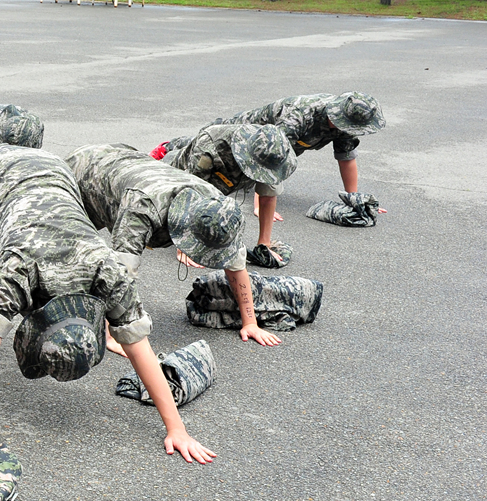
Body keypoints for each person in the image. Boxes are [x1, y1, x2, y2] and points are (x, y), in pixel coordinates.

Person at [0, 145, 216, 465]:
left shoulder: (107, 271)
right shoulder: (19, 267)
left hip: (56, 171)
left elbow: (138, 345)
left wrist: (177, 429)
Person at [65, 142, 280, 348]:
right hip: (84, 172)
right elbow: (120, 273)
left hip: (126, 163)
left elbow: (236, 264)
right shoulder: (143, 209)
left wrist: (250, 322)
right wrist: (111, 333)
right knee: (70, 253)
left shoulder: (216, 207)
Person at [223, 92, 388, 222]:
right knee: (217, 172)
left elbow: (346, 158)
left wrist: (354, 199)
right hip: (239, 135)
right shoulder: (299, 116)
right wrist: (261, 205)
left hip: (273, 145)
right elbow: (271, 156)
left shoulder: (346, 124)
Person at [160, 122, 298, 264]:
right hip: (181, 174)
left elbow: (268, 197)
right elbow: (190, 190)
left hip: (225, 182)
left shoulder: (273, 155)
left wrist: (264, 244)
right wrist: (185, 244)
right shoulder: (211, 144)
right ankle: (163, 151)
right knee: (158, 204)